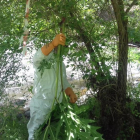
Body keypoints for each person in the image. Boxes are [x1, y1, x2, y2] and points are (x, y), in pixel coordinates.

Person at [27, 33, 77, 140]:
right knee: (35, 134)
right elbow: (37, 57)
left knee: (53, 135)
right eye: (59, 46)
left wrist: (70, 92)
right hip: (41, 105)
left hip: (57, 106)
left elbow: (63, 82)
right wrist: (53, 44)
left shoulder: (61, 64)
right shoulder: (43, 60)